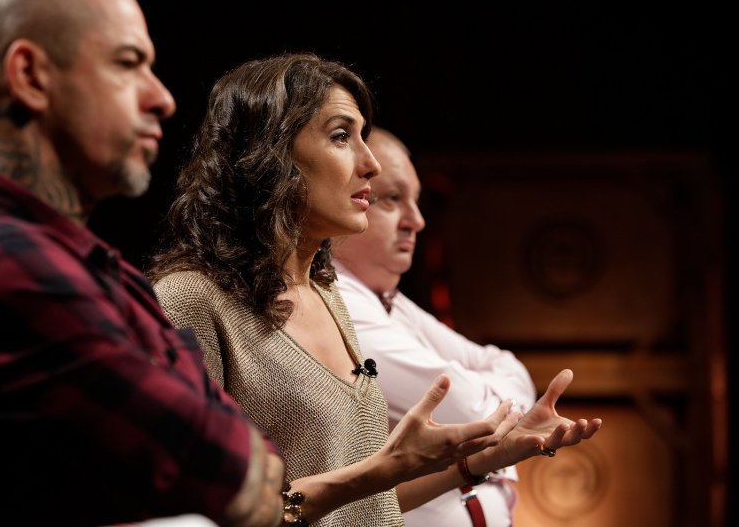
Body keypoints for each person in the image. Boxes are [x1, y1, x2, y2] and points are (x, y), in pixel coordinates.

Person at [149, 53, 602, 527]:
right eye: (342, 136)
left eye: (363, 136)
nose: (369, 164)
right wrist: (383, 469)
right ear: (269, 153)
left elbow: (364, 503)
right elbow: (196, 507)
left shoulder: (327, 294)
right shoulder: (191, 300)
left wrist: (478, 462)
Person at [0, 0, 284, 527]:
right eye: (128, 63)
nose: (162, 99)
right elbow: (228, 474)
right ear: (31, 75)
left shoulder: (90, 267)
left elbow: (265, 474)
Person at [333, 128, 535, 527]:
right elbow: (472, 416)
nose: (418, 220)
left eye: (416, 200)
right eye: (392, 199)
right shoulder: (340, 300)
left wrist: (495, 393)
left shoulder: (388, 300)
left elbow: (505, 364)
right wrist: (493, 394)